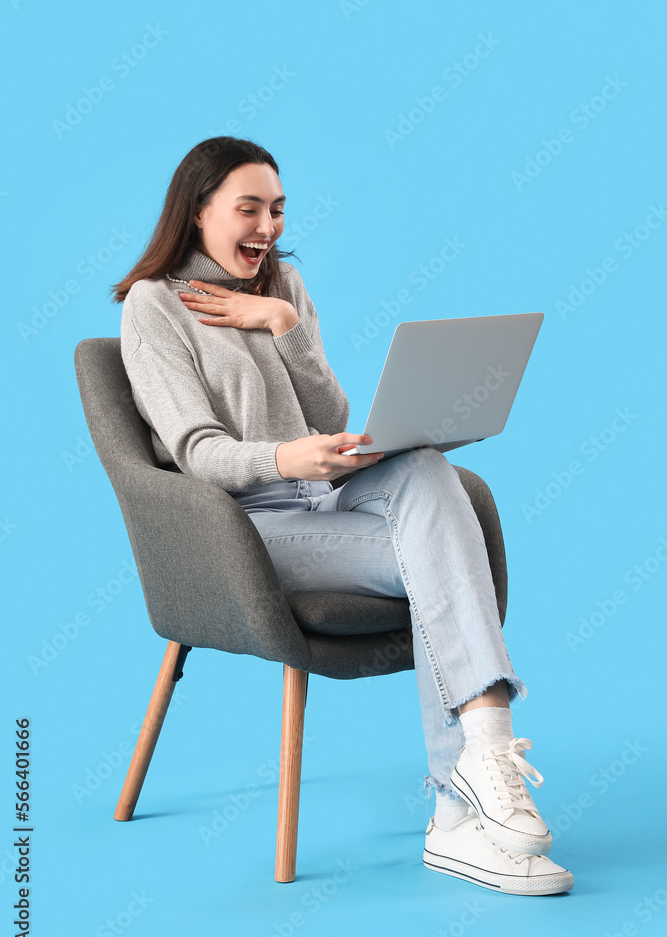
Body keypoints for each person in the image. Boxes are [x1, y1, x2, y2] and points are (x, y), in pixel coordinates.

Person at [112, 136, 573, 896]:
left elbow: (329, 412)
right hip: (238, 531)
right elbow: (195, 451)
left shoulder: (282, 286)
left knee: (424, 468)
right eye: (248, 208)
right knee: (443, 561)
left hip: (322, 498)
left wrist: (281, 326)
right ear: (197, 212)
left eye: (277, 209)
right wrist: (283, 461)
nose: (266, 226)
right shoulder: (153, 308)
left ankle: (478, 760)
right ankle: (460, 815)